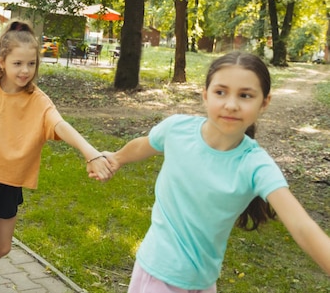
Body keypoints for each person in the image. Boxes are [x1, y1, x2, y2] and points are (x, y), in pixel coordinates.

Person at [98, 51, 330, 292]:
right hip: (158, 274)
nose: (231, 104)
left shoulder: (256, 165)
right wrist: (116, 158)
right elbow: (145, 145)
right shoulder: (177, 130)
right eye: (221, 92)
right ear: (205, 96)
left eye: (245, 95)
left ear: (264, 103)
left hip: (203, 282)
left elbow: (302, 226)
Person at [0, 20, 112, 293]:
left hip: (10, 178)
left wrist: (91, 153)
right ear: (1, 61)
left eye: (31, 64)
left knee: (2, 248)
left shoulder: (38, 100)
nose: (25, 71)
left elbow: (60, 125)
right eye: (18, 63)